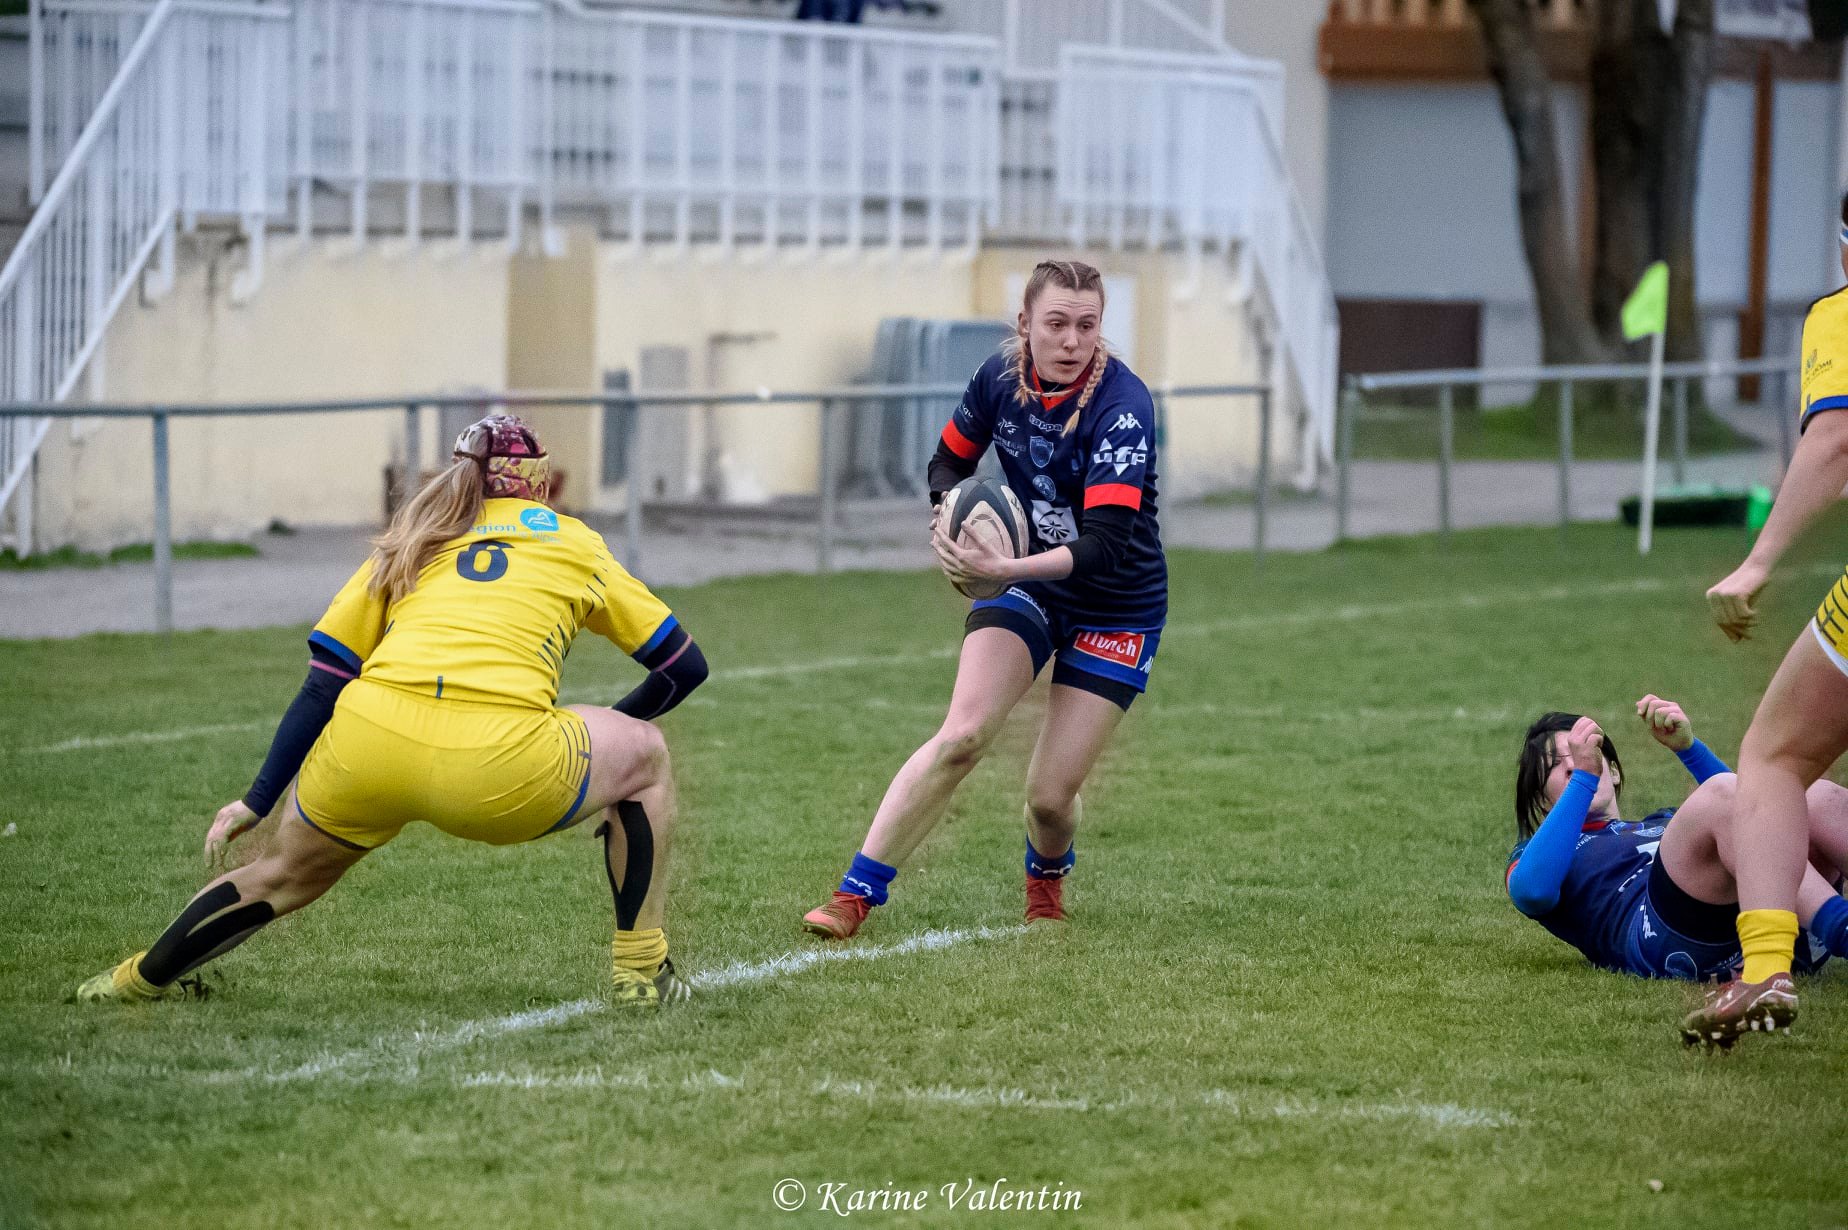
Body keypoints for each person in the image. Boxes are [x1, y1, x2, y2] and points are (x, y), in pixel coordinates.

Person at [74, 414, 709, 1007]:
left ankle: (133, 981)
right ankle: (641, 971)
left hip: (368, 741)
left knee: (278, 874)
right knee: (645, 754)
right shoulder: (574, 541)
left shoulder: (413, 538)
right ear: (538, 480)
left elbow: (324, 682)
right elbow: (683, 665)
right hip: (498, 764)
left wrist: (257, 800)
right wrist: (609, 749)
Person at [801, 260, 1165, 938]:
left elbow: (1106, 544)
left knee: (1051, 799)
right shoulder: (999, 379)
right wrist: (948, 517)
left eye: (1087, 326)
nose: (1071, 341)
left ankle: (1045, 882)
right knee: (963, 735)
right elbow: (947, 463)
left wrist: (1004, 561)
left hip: (1117, 605)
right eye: (1055, 324)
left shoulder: (1124, 408)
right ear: (1024, 324)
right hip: (1027, 583)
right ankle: (854, 894)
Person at [1691, 191, 1848, 1044]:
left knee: (1774, 754)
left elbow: (1835, 442)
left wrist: (1758, 561)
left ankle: (1764, 971)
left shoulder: (1840, 313)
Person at [1507, 696, 1848, 998]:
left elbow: (1756, 815)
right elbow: (1532, 892)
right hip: (1667, 940)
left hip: (1774, 931)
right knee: (1721, 796)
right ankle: (1840, 926)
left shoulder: (1665, 821)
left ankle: (1815, 930)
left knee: (1817, 797)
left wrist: (1689, 748)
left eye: (1583, 754)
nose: (1573, 764)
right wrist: (1583, 777)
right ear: (1543, 802)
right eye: (1555, 765)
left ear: (1611, 771)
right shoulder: (1535, 854)